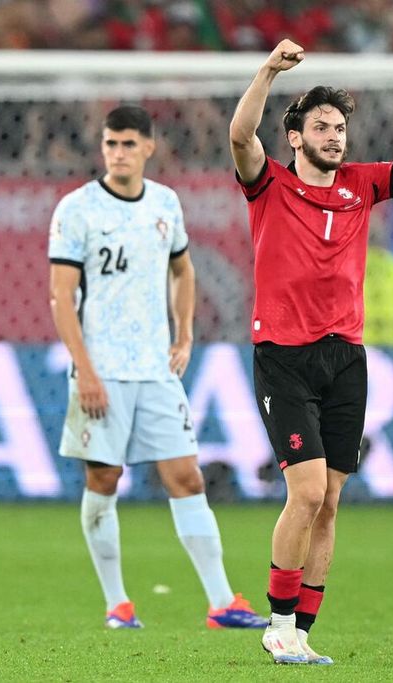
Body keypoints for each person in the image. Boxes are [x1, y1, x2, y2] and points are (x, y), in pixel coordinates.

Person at [229, 39, 393, 664]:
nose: (335, 137)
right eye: (321, 126)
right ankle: (277, 622)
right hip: (283, 356)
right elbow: (239, 134)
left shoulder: (361, 186)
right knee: (306, 492)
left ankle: (302, 634)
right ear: (294, 135)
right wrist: (267, 71)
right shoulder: (269, 185)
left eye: (340, 128)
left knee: (332, 500)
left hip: (346, 358)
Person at [48, 104, 268, 632]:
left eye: (128, 144)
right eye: (110, 144)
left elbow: (183, 271)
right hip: (100, 369)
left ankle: (222, 604)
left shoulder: (165, 204)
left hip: (154, 369)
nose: (118, 153)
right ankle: (117, 604)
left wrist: (185, 332)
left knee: (186, 477)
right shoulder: (76, 210)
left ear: (150, 147)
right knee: (104, 477)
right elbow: (61, 297)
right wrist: (86, 370)